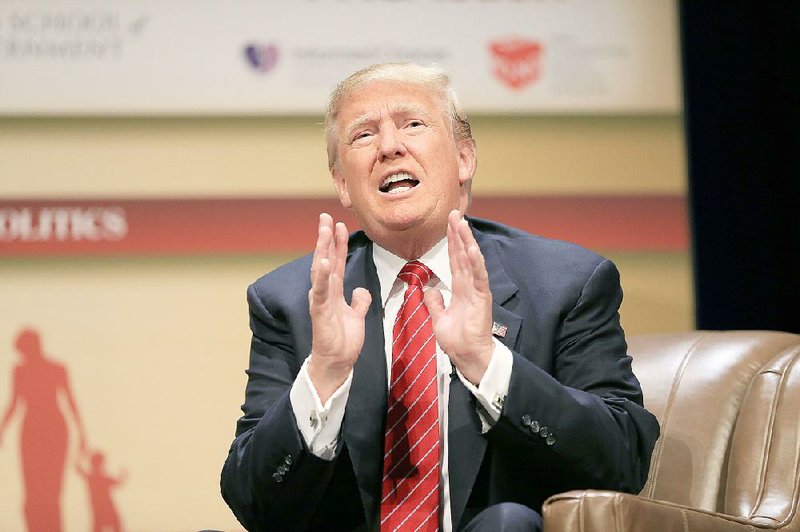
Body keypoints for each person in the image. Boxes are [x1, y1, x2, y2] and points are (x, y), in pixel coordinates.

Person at [221, 63, 659, 532]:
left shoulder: (564, 284)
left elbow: (623, 460)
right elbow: (253, 503)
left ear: (465, 158)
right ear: (343, 184)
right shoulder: (290, 302)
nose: (390, 146)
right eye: (363, 135)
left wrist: (487, 362)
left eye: (413, 124)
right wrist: (323, 376)